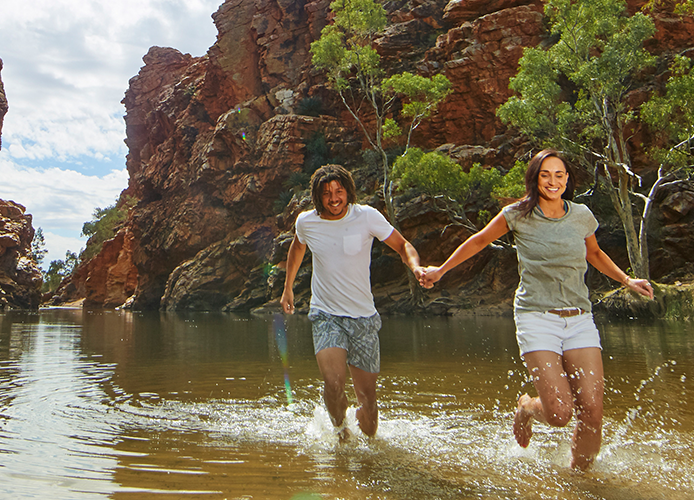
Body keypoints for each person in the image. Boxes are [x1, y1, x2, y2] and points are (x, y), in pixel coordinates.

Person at [417, 149, 654, 471]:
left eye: (559, 175)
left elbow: (594, 254)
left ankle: (581, 481)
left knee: (593, 410)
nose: (553, 181)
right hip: (536, 318)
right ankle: (527, 407)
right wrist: (441, 270)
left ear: (568, 179)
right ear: (535, 178)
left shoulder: (581, 215)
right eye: (546, 175)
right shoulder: (517, 214)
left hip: (579, 318)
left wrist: (627, 279)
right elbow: (479, 241)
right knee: (559, 413)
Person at [279, 164, 426, 439]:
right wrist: (288, 288)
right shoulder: (307, 222)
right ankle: (340, 430)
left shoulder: (367, 217)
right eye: (326, 193)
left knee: (368, 401)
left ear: (348, 191)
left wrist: (416, 267)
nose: (334, 198)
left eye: (338, 191)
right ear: (317, 197)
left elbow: (403, 245)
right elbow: (297, 248)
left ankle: (366, 439)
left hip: (363, 318)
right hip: (326, 315)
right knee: (333, 384)